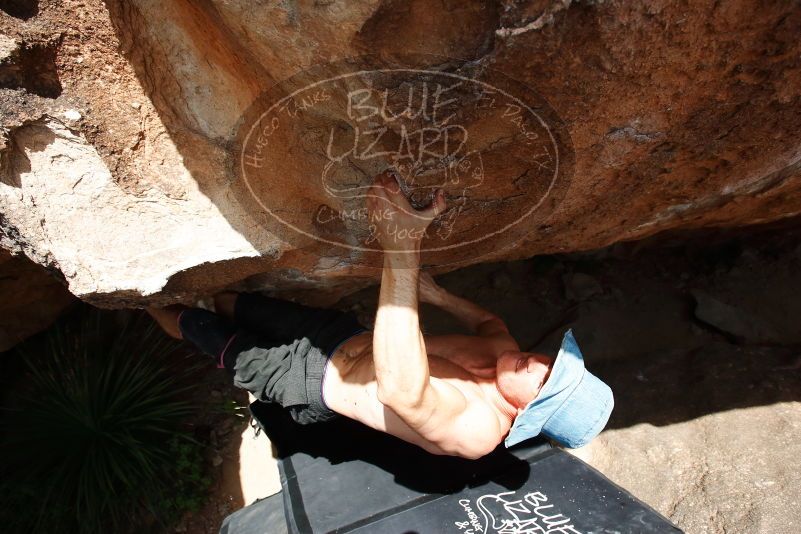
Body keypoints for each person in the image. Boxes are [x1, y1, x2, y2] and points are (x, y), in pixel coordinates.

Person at [148, 172, 613, 459]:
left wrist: (401, 246)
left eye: (545, 381)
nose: (538, 363)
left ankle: (146, 305)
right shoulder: (504, 356)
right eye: (552, 363)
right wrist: (438, 295)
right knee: (234, 302)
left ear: (529, 411)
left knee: (195, 325)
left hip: (306, 379)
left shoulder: (476, 431)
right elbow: (491, 324)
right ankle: (209, 301)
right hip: (333, 333)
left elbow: (400, 391)